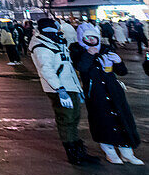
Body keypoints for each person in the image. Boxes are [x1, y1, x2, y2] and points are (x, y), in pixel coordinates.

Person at [71, 23, 142, 164]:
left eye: (94, 37)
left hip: (114, 91)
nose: (91, 40)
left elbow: (122, 72)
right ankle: (110, 152)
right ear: (82, 38)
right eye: (88, 37)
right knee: (102, 122)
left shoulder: (105, 49)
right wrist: (88, 55)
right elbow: (81, 68)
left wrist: (119, 62)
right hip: (95, 92)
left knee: (122, 119)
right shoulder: (78, 50)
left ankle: (127, 152)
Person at [29, 18, 97, 165]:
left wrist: (77, 88)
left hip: (68, 86)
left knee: (73, 118)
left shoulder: (55, 42)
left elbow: (68, 66)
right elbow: (46, 69)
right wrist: (59, 89)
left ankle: (78, 150)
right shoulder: (42, 46)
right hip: (60, 88)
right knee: (66, 120)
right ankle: (73, 153)